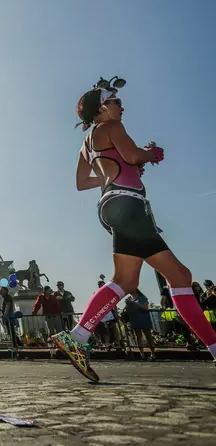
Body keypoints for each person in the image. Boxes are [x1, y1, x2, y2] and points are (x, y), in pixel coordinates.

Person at [53, 78, 216, 381]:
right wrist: (152, 153)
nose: (121, 106)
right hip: (129, 204)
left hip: (111, 205)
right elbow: (133, 155)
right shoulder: (112, 127)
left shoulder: (86, 143)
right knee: (166, 278)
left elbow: (82, 183)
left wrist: (117, 171)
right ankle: (76, 337)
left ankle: (76, 337)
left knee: (146, 279)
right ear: (102, 106)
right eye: (116, 102)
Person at [126, 289, 156, 360]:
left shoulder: (142, 298)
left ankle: (153, 353)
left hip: (143, 318)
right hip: (135, 319)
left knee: (148, 335)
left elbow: (146, 308)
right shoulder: (130, 299)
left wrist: (136, 304)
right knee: (138, 336)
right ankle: (141, 353)